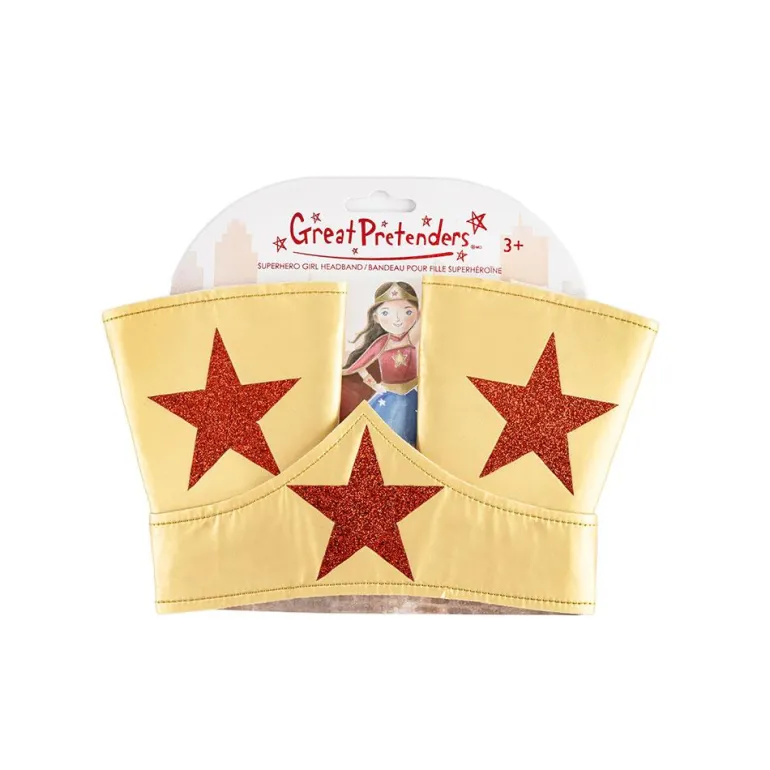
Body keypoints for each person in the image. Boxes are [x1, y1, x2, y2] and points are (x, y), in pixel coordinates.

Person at [341, 282, 420, 445]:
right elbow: (359, 367)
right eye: (386, 312)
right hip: (389, 396)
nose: (397, 319)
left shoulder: (411, 338)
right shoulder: (382, 343)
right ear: (376, 317)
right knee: (385, 435)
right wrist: (375, 386)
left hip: (413, 394)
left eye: (407, 312)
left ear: (417, 314)